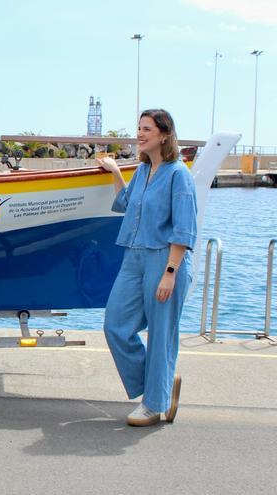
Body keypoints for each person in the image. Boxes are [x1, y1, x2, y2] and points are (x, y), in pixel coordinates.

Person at [97, 108, 196, 427]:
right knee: (115, 324)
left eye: (147, 129)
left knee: (161, 333)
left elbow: (184, 228)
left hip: (165, 260)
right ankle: (161, 387)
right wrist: (114, 171)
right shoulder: (142, 171)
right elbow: (126, 203)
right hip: (134, 257)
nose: (140, 134)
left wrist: (170, 272)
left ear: (165, 135)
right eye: (139, 128)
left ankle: (154, 404)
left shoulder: (179, 174)